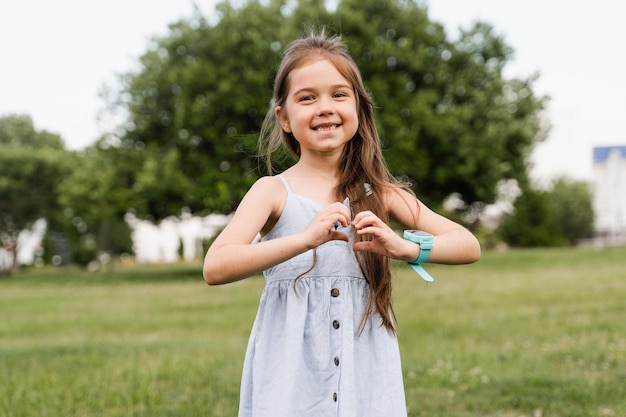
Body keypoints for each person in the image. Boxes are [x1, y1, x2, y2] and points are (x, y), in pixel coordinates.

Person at [203, 29, 481, 417]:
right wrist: (304, 239)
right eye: (307, 98)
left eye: (338, 94)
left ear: (358, 108)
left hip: (364, 374)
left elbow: (468, 244)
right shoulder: (272, 191)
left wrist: (406, 248)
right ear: (283, 118)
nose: (325, 107)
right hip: (291, 379)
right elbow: (216, 266)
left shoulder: (380, 192)